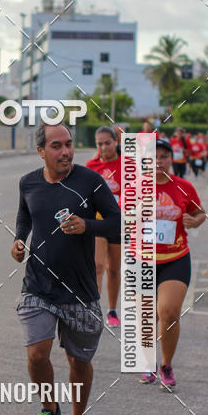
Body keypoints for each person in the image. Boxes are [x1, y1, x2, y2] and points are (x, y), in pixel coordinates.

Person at [11, 123, 121, 415]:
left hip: (80, 291)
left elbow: (117, 222)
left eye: (69, 144)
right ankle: (49, 408)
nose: (66, 152)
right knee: (36, 354)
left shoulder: (90, 181)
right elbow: (25, 216)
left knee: (78, 362)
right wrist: (19, 239)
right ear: (41, 150)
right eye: (57, 146)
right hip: (38, 285)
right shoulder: (28, 182)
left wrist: (87, 224)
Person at [139, 139, 206, 388]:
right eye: (153, 157)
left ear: (171, 159)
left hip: (175, 258)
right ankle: (148, 364)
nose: (158, 161)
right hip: (142, 261)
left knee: (168, 311)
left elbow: (200, 212)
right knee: (146, 317)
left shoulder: (184, 187)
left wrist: (194, 221)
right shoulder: (136, 188)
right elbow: (120, 216)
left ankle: (166, 364)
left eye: (164, 156)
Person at [85, 126, 122, 327]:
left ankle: (112, 310)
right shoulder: (91, 166)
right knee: (97, 266)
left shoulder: (128, 165)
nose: (104, 147)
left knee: (114, 269)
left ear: (116, 141)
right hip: (98, 223)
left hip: (118, 224)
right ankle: (94, 309)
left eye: (107, 142)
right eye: (99, 144)